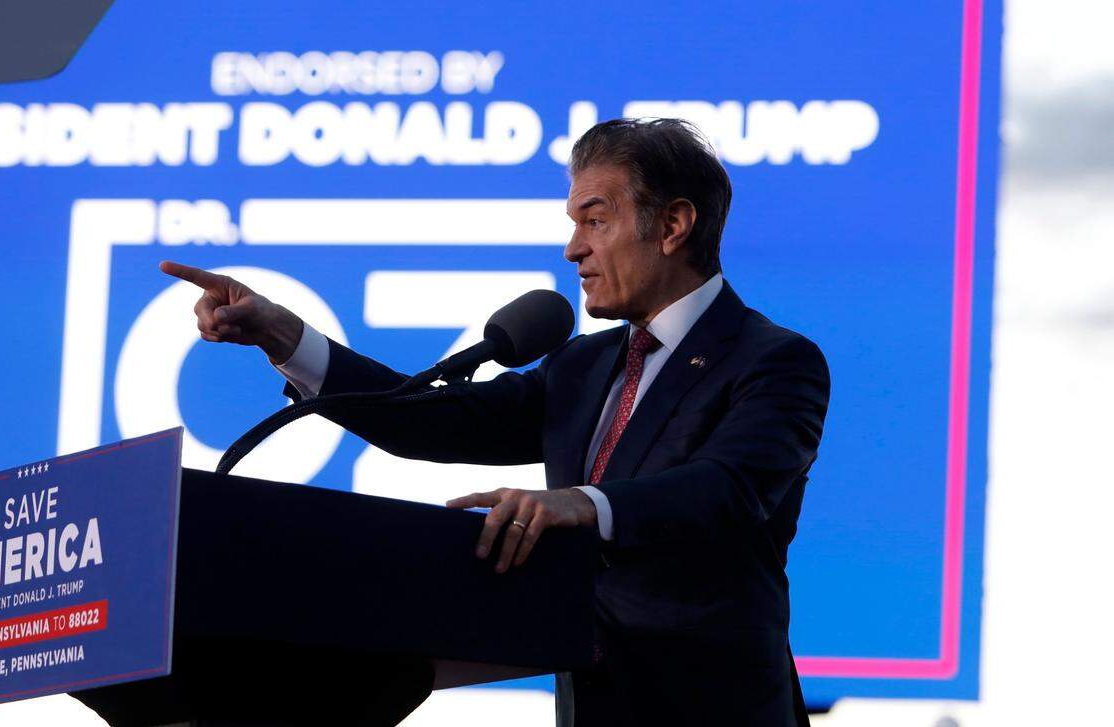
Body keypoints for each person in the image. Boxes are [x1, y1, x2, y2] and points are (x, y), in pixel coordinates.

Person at [161, 118, 830, 727]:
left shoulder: (772, 360)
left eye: (594, 221)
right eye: (573, 223)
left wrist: (580, 503)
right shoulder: (584, 368)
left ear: (673, 224)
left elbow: (729, 489)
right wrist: (283, 335)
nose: (573, 249)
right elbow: (430, 419)